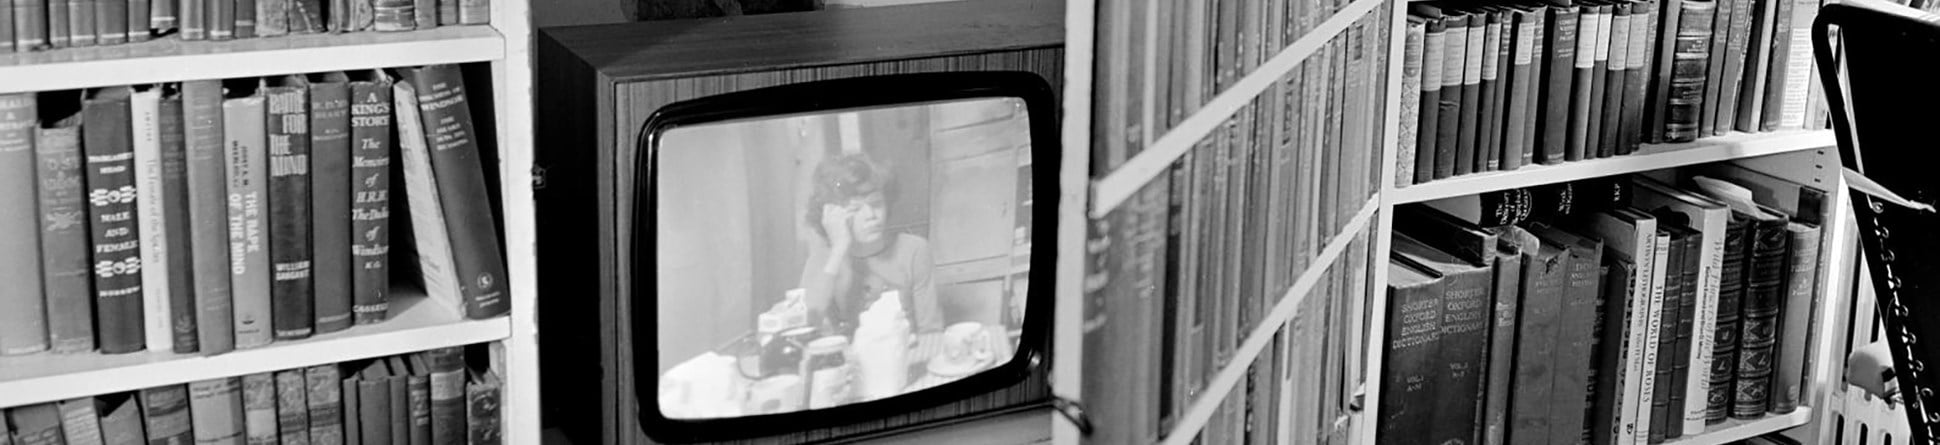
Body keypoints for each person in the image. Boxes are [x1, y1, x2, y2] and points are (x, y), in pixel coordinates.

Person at [798, 152, 944, 337]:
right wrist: (838, 249)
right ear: (832, 216)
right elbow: (807, 325)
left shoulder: (914, 250)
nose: (871, 216)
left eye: (876, 204)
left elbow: (932, 332)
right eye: (856, 209)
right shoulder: (823, 259)